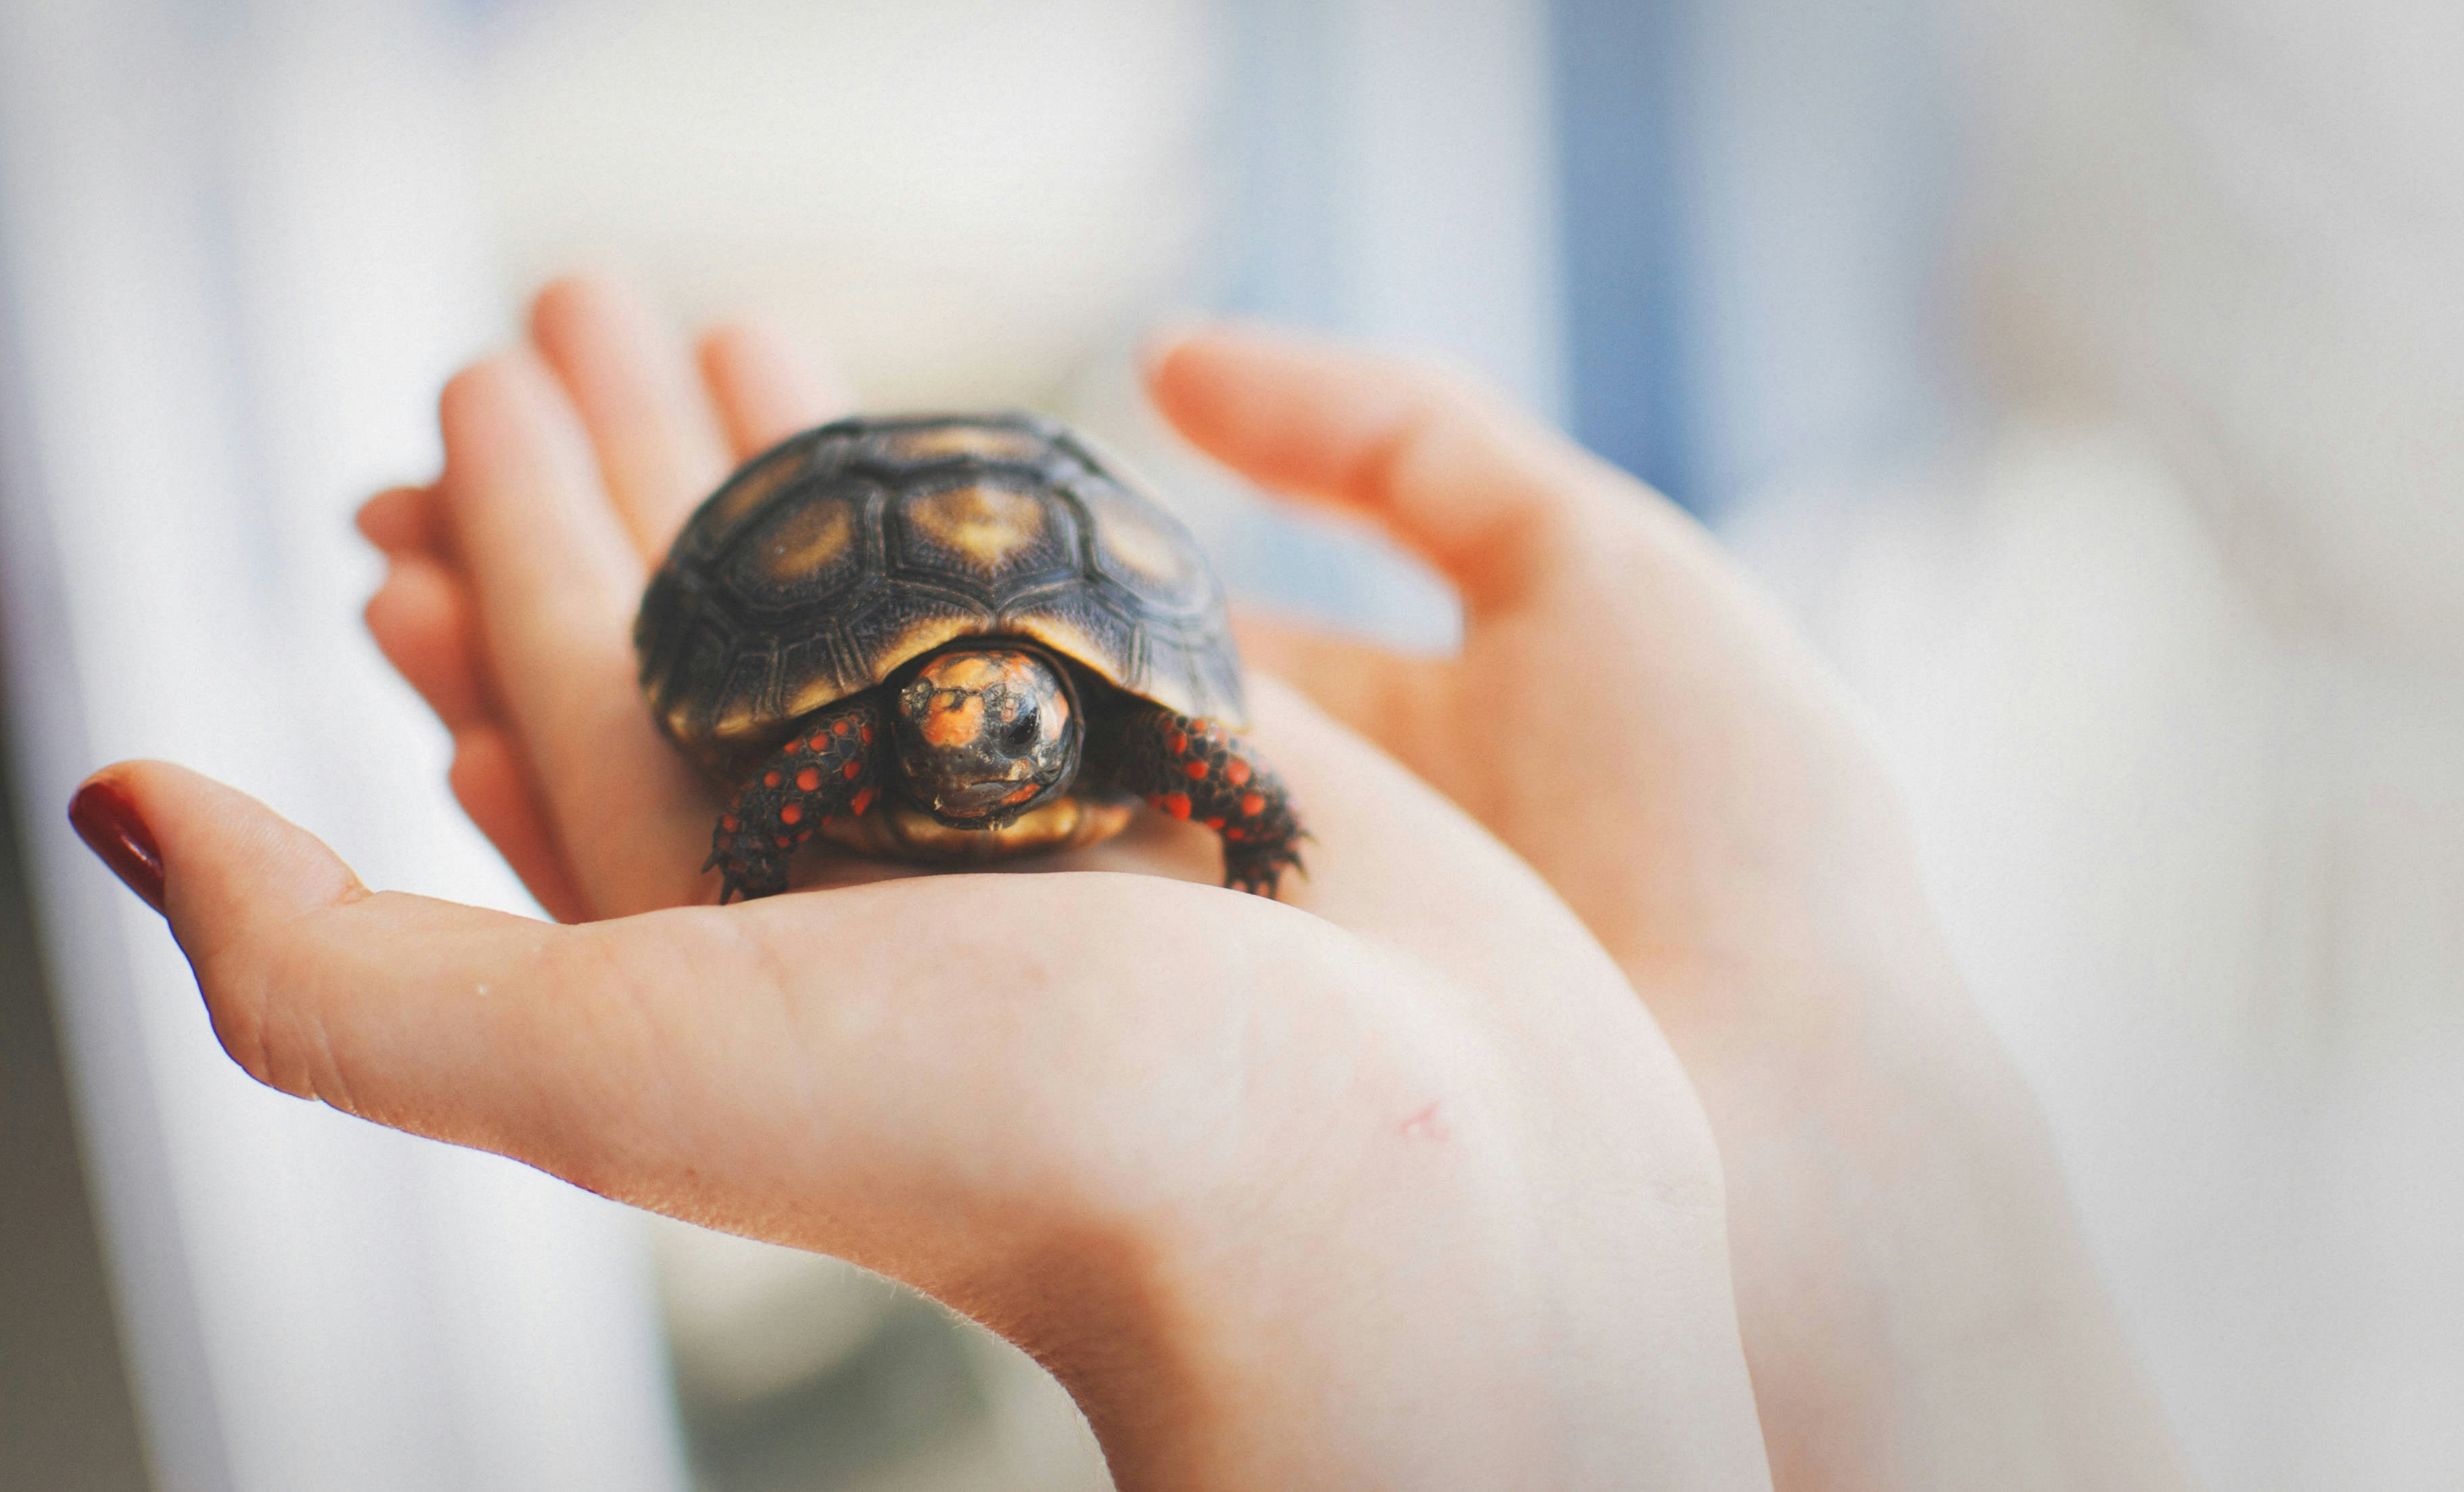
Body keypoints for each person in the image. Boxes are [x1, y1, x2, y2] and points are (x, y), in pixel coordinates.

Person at [70, 276, 2187, 1489]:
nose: (981, 734)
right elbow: (840, 751)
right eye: (949, 725)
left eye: (1011, 724)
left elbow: (1204, 757)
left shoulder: (1132, 739)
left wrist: (1827, 1113)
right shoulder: (866, 733)